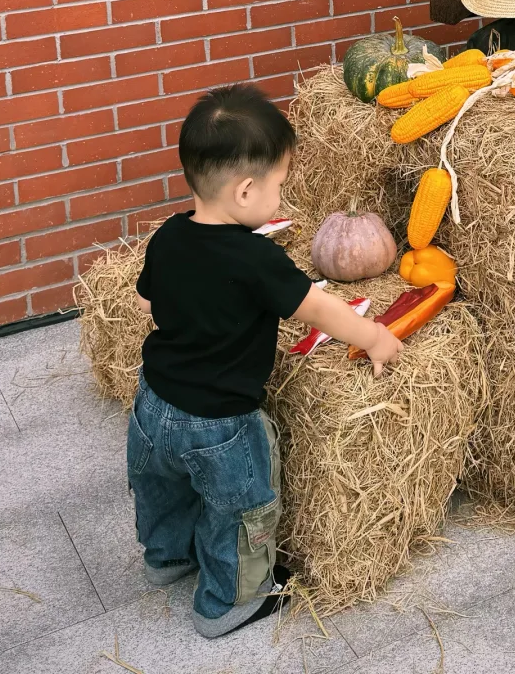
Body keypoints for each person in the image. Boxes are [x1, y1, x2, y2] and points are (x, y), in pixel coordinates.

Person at [129, 83, 403, 639]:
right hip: (221, 425)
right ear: (247, 191)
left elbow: (146, 299)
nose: (283, 196)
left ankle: (167, 557)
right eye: (279, 185)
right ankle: (231, 600)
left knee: (162, 487)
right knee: (243, 508)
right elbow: (320, 310)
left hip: (152, 404)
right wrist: (374, 336)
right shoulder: (255, 259)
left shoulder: (169, 235)